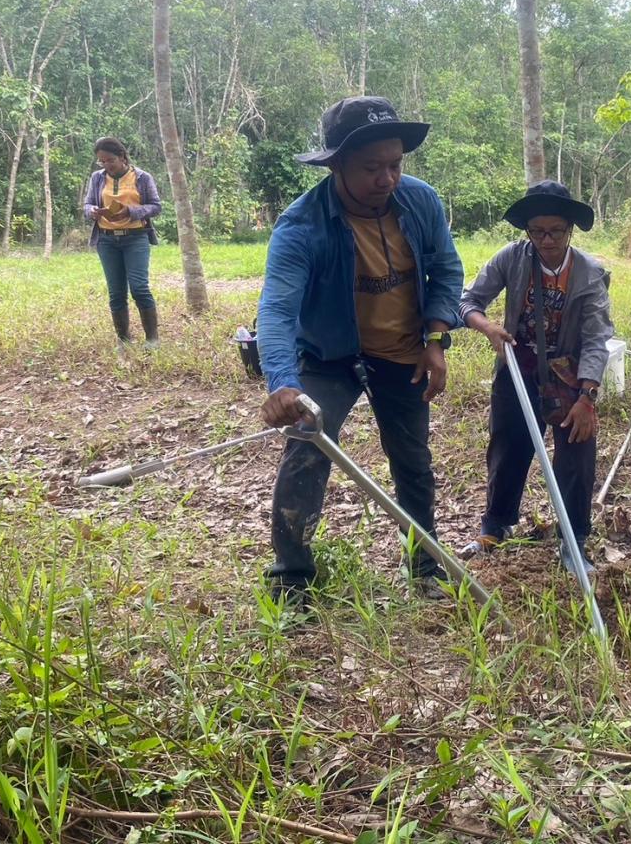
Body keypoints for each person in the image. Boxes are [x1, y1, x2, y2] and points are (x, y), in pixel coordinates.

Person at [256, 96, 464, 602]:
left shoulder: (422, 202)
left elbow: (448, 271)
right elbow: (277, 311)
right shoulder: (301, 226)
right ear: (336, 166)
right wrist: (283, 382)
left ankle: (424, 566)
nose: (387, 178)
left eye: (394, 165)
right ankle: (292, 578)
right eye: (372, 167)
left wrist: (436, 340)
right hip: (331, 356)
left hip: (403, 352)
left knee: (412, 459)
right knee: (306, 451)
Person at [458, 181, 612, 579]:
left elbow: (597, 337)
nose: (546, 240)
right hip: (517, 364)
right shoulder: (511, 258)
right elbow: (467, 301)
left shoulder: (590, 273)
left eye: (556, 231)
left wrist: (587, 396)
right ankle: (496, 526)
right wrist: (488, 327)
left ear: (570, 229)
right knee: (508, 445)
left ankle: (573, 539)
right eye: (537, 231)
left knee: (576, 455)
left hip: (569, 375)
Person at [82, 137, 163, 348]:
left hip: (135, 237)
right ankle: (123, 338)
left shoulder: (142, 177)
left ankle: (152, 339)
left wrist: (131, 212)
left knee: (139, 287)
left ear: (122, 157)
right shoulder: (97, 178)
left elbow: (155, 206)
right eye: (102, 161)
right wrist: (92, 211)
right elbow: (88, 203)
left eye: (110, 160)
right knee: (116, 292)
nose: (106, 165)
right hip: (107, 240)